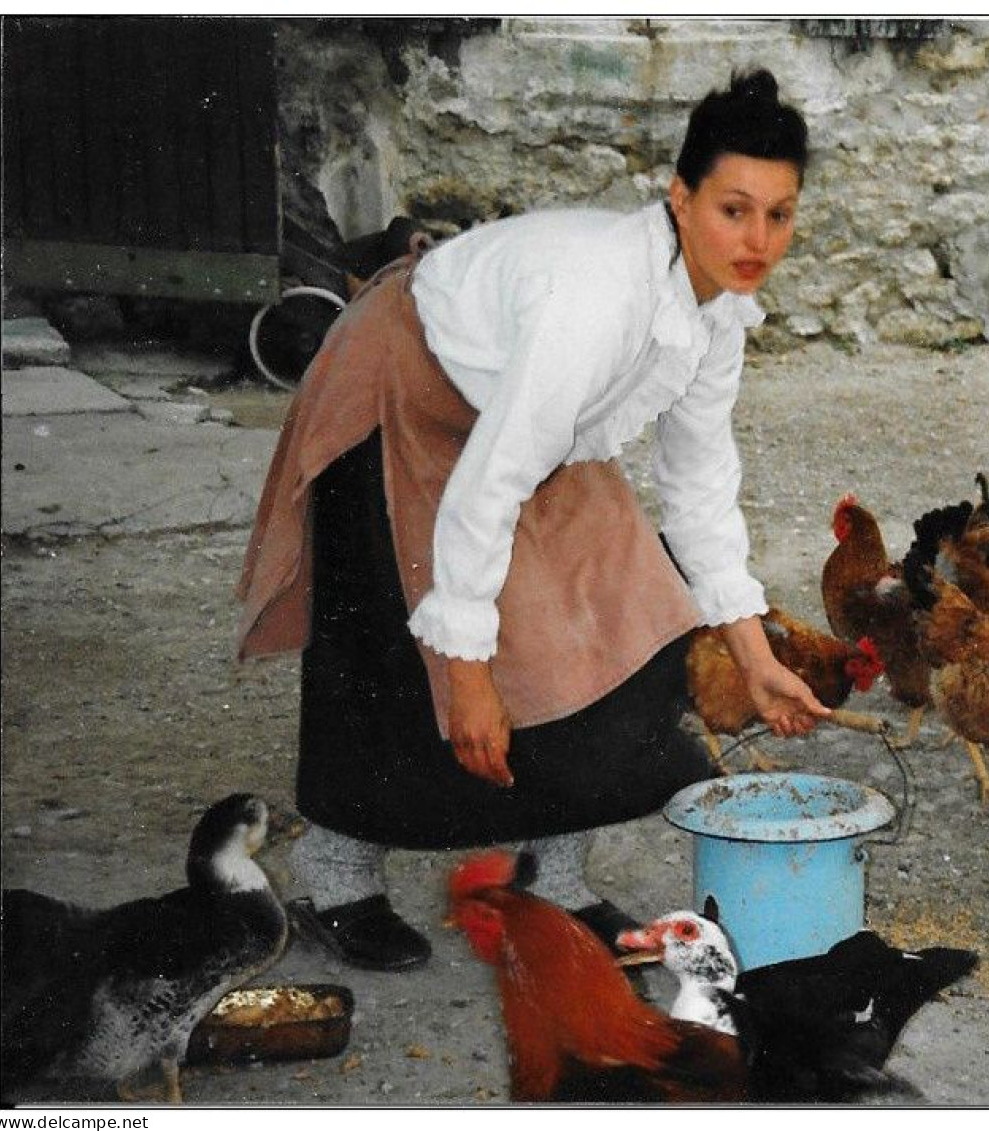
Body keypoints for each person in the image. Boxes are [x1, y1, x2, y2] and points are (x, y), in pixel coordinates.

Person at [235, 68, 829, 972]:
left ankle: (555, 877)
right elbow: (491, 483)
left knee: (620, 604)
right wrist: (467, 671)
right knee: (396, 639)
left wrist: (754, 656)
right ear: (680, 197)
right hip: (402, 379)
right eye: (733, 209)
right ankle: (336, 871)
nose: (755, 240)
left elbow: (701, 484)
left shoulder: (716, 318)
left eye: (778, 215)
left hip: (510, 414)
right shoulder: (595, 299)